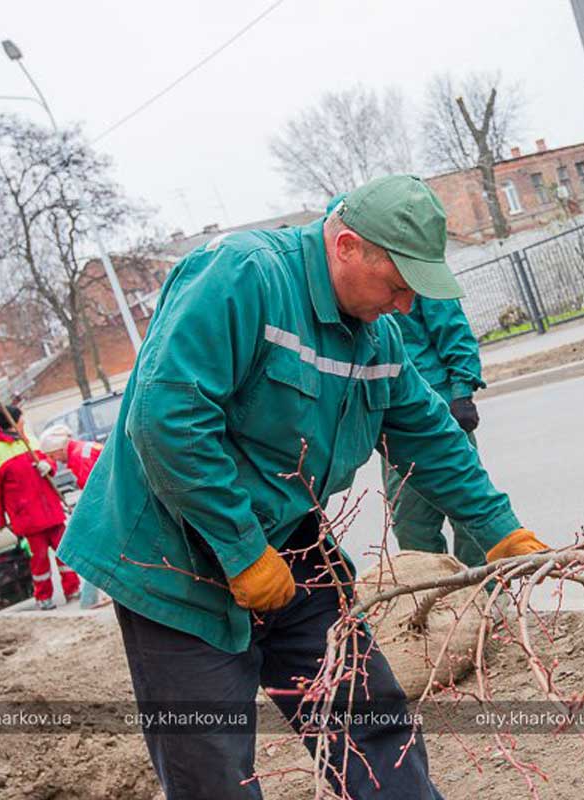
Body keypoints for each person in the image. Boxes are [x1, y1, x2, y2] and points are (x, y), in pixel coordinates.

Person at [58, 174, 547, 800]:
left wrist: (499, 528)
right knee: (213, 772)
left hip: (291, 545)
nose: (403, 305)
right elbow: (166, 420)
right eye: (397, 285)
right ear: (346, 246)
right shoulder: (242, 278)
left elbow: (430, 435)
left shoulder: (378, 339)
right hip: (170, 555)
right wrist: (240, 549)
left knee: (370, 727)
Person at [382, 295, 493, 567]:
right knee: (410, 523)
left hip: (441, 408)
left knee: (468, 511)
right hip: (395, 420)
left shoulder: (418, 271)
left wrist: (462, 393)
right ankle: (437, 594)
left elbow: (453, 329)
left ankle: (483, 589)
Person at [0, 405, 80, 611]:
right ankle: (43, 596)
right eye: (21, 420)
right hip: (28, 517)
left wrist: (49, 467)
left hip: (51, 510)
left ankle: (73, 588)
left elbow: (48, 462)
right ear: (12, 422)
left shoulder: (31, 442)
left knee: (65, 552)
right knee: (40, 560)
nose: (24, 423)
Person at [39, 424, 106, 609]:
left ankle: (93, 598)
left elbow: (92, 491)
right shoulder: (83, 448)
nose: (55, 461)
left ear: (59, 449)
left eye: (53, 456)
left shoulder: (79, 457)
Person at [38, 425, 102, 489]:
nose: (54, 460)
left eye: (52, 456)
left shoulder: (78, 457)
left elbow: (92, 488)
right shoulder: (82, 449)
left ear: (61, 449)